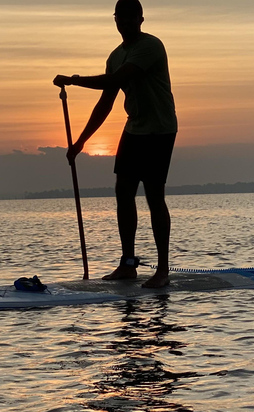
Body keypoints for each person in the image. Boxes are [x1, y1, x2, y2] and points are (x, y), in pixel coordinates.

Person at [53, 0, 177, 288]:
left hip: (159, 129)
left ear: (140, 19)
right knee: (123, 191)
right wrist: (80, 142)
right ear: (116, 20)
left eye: (131, 18)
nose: (125, 23)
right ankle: (128, 264)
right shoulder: (115, 55)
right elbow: (105, 102)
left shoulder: (151, 47)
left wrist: (73, 80)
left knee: (154, 196)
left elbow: (118, 79)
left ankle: (162, 270)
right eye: (120, 18)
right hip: (134, 128)